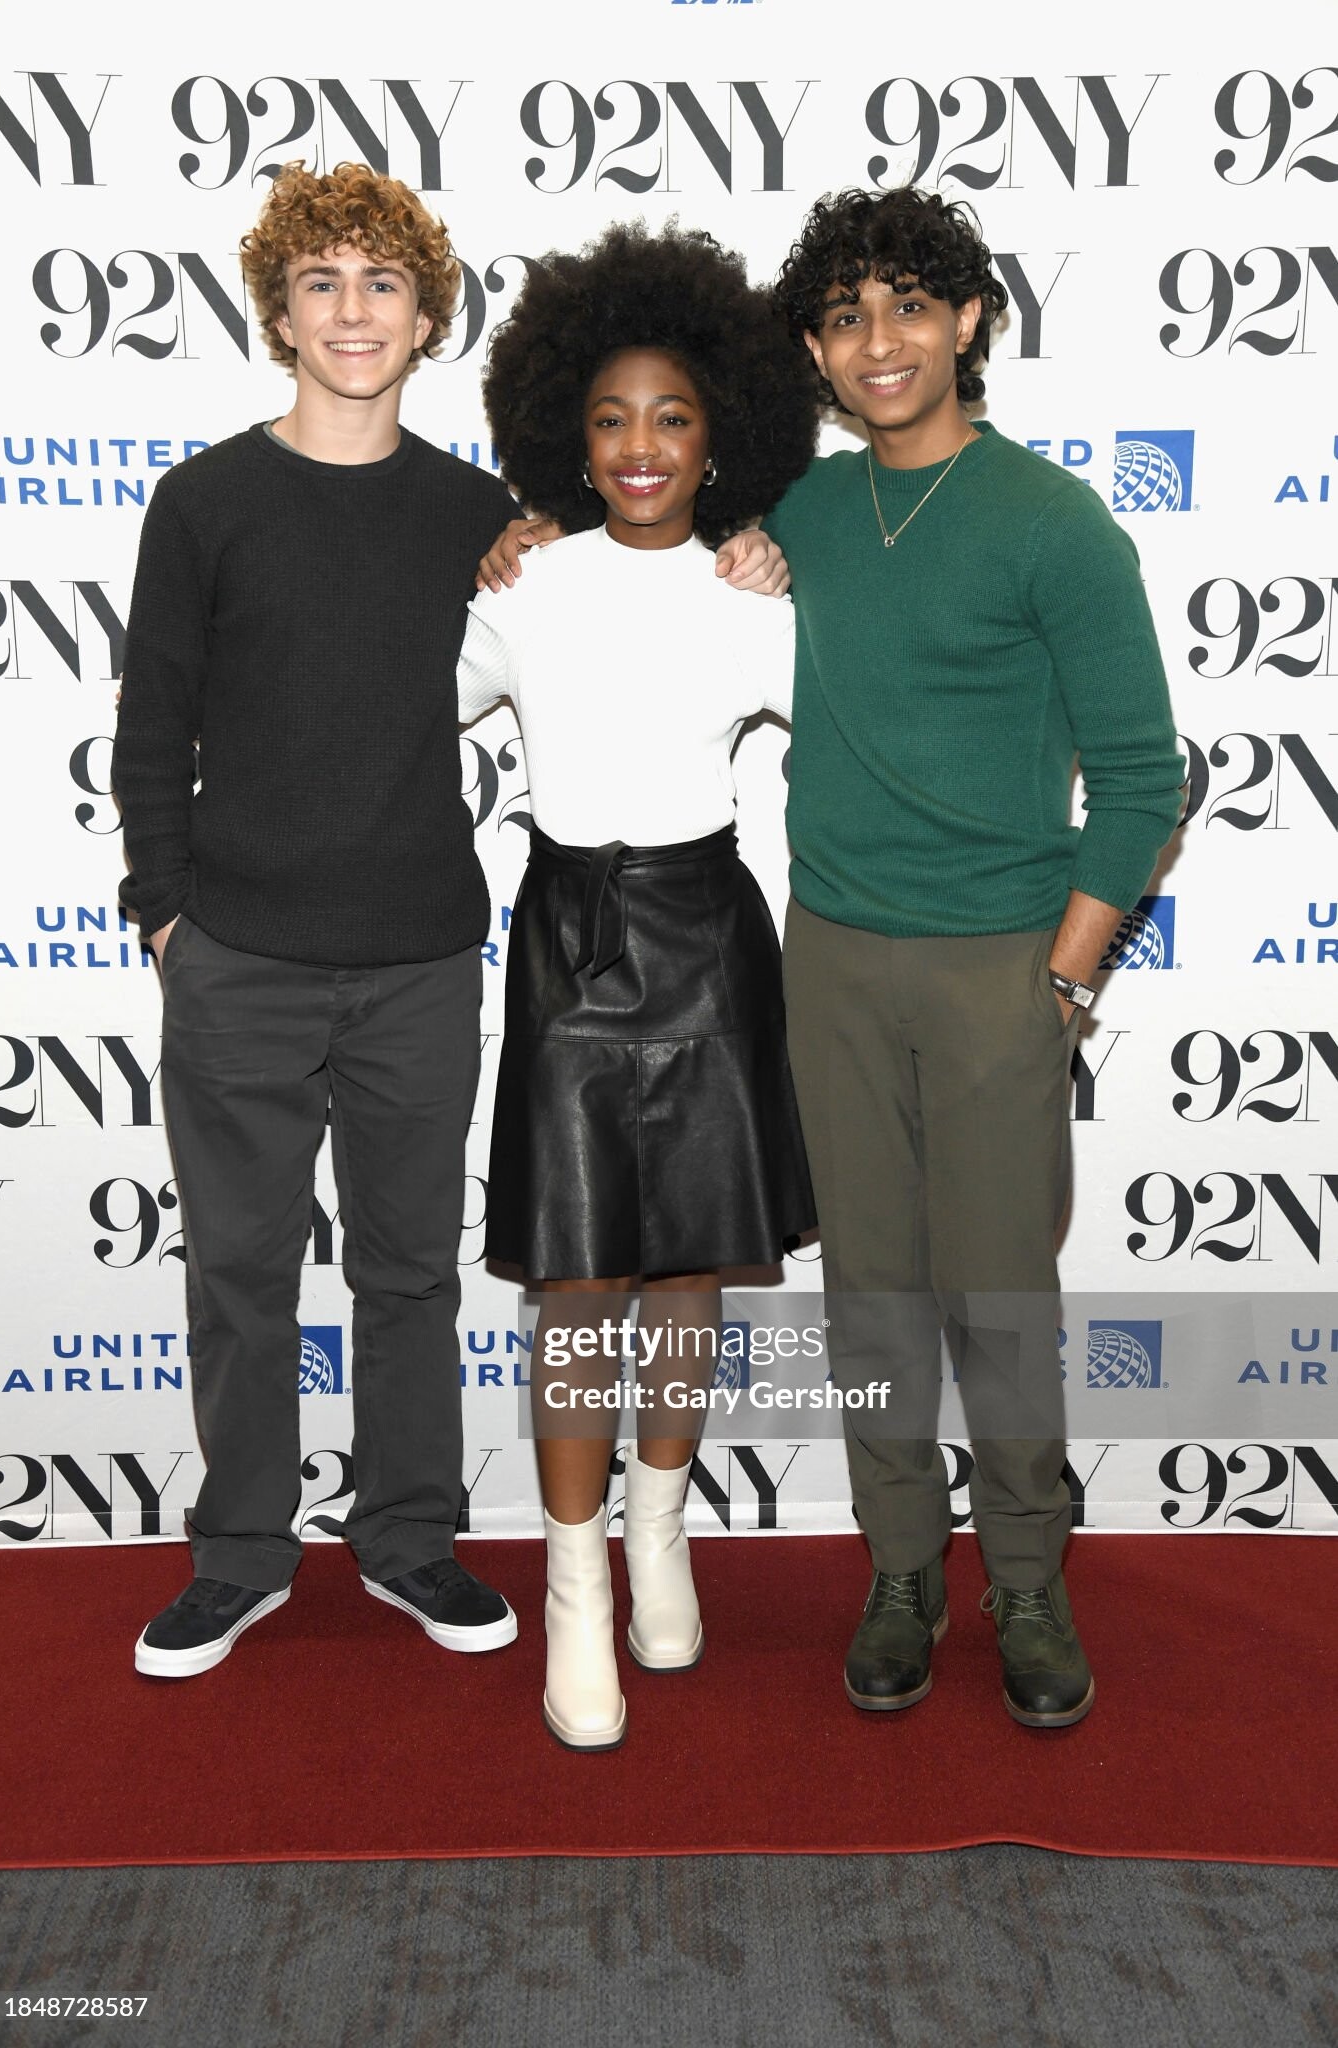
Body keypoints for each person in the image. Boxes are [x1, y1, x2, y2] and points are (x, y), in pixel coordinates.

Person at [764, 187, 1184, 1726]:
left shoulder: (1052, 524)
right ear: (814, 350)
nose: (877, 340)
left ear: (968, 318)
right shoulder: (798, 513)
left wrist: (1063, 981)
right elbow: (634, 514)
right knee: (868, 1293)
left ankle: (1023, 1577)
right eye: (844, 315)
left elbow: (1140, 781)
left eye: (907, 304)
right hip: (829, 959)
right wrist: (520, 536)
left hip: (1000, 966)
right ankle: (897, 1568)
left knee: (998, 1298)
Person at [112, 161, 527, 1676]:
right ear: (279, 313)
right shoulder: (204, 502)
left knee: (410, 1271)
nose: (353, 311)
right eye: (321, 283)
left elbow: (641, 571)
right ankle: (240, 1551)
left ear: (427, 319)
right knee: (238, 1274)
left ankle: (410, 1538)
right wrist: (168, 915)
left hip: (421, 956)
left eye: (382, 283)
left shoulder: (484, 519)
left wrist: (758, 544)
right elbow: (151, 728)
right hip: (237, 957)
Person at [459, 222, 819, 1749]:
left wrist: (787, 558)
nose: (640, 446)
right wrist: (476, 553)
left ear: (718, 431)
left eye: (671, 415)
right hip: (566, 942)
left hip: (706, 940)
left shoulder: (755, 596)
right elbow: (390, 716)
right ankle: (574, 1587)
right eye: (608, 417)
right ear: (567, 431)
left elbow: (861, 738)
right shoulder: (524, 586)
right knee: (576, 1283)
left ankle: (659, 1534)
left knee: (684, 1272)